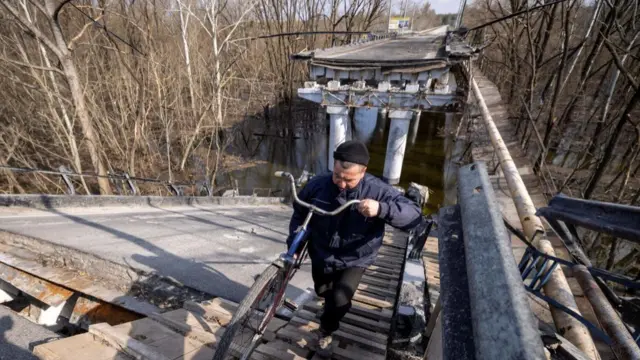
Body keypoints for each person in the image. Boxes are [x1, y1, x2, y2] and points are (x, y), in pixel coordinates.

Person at [286, 140, 422, 357]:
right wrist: (294, 243)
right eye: (337, 176)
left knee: (339, 299)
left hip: (355, 257)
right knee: (323, 291)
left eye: (348, 180)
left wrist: (381, 209)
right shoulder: (318, 184)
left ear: (363, 171)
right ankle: (329, 307)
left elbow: (413, 215)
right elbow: (300, 214)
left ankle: (326, 331)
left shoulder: (377, 190)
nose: (341, 183)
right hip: (321, 251)